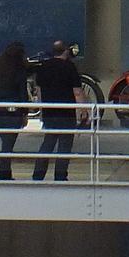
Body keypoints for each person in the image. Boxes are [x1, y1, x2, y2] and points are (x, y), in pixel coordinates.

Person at [31, 40, 83, 183]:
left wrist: (42, 110)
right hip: (66, 113)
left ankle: (38, 174)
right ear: (65, 51)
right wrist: (83, 110)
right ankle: (60, 175)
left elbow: (39, 91)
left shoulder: (43, 67)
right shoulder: (69, 67)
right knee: (65, 146)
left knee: (48, 143)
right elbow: (77, 92)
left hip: (50, 112)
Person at [0, 41, 29, 182]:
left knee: (6, 143)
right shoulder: (20, 71)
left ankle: (5, 173)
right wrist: (25, 113)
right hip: (13, 113)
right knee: (8, 144)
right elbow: (23, 94)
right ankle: (4, 173)